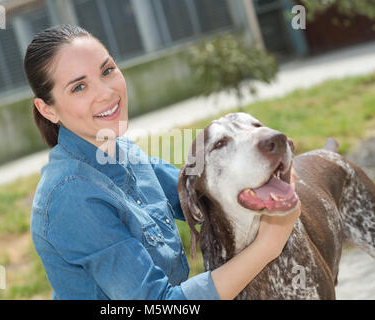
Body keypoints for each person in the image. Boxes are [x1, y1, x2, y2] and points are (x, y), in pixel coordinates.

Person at [25, 24, 301, 300]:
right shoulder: (71, 197)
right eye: (79, 87)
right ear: (47, 109)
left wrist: (263, 177)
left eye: (107, 70)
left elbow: (203, 198)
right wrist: (268, 246)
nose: (106, 92)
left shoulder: (123, 153)